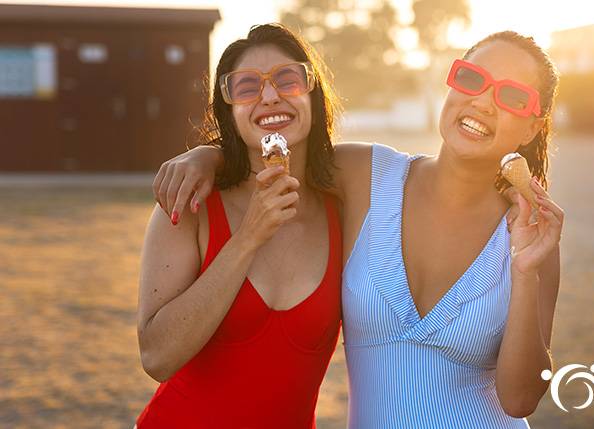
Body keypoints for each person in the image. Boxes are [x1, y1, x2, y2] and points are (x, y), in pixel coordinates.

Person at [154, 30, 563, 428]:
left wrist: (525, 271)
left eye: (511, 96)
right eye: (472, 79)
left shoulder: (531, 231)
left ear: (532, 127)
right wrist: (207, 156)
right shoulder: (366, 174)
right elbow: (285, 148)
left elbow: (520, 399)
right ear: (451, 85)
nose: (484, 102)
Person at [135, 23, 343, 428]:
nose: (269, 96)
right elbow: (156, 357)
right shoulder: (190, 203)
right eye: (247, 87)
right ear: (230, 111)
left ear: (313, 93)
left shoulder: (346, 202)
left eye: (288, 79)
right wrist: (248, 237)